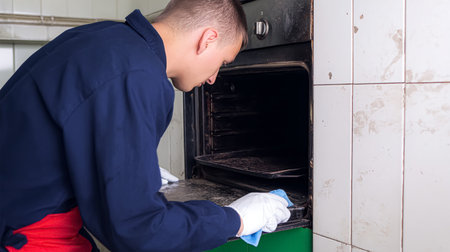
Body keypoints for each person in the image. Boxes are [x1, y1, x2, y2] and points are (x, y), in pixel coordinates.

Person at [0, 0, 291, 251]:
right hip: (21, 234)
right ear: (208, 39)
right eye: (223, 62)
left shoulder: (104, 38)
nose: (214, 78)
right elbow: (136, 230)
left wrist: (132, 169)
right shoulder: (136, 75)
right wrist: (235, 220)